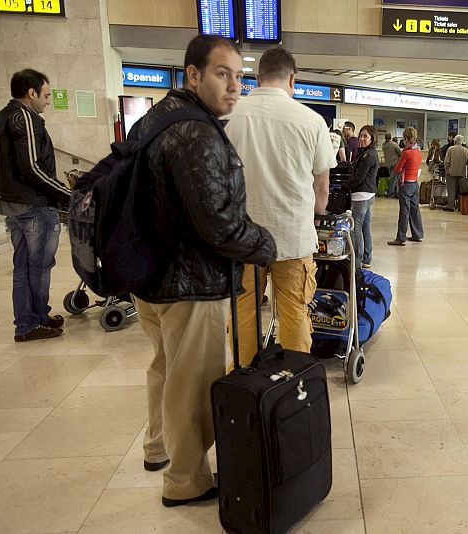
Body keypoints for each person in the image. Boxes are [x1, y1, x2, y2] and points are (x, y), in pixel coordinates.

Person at [131, 35, 276, 507]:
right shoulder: (196, 132)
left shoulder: (156, 118)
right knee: (191, 383)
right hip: (188, 282)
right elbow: (219, 223)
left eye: (240, 75)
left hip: (148, 275)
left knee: (164, 367)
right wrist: (265, 244)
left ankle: (157, 447)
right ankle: (186, 480)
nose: (234, 86)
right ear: (193, 75)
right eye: (222, 73)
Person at [225, 46, 334, 365]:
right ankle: (294, 387)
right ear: (292, 78)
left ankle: (244, 385)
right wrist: (317, 214)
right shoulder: (312, 121)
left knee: (242, 315)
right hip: (292, 238)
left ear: (257, 79)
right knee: (295, 315)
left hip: (243, 239)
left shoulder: (229, 116)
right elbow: (322, 187)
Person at [0, 69, 71, 342]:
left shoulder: (0, 118)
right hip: (31, 203)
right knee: (39, 265)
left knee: (22, 265)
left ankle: (31, 319)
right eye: (46, 95)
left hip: (12, 203)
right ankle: (32, 322)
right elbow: (32, 167)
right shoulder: (26, 118)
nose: (48, 101)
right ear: (31, 93)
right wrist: (66, 195)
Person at [348, 125, 379, 269]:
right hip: (368, 194)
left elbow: (359, 177)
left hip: (362, 195)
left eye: (365, 136)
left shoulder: (369, 155)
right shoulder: (367, 152)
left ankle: (358, 260)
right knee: (365, 227)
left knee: (356, 228)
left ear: (372, 139)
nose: (362, 139)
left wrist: (345, 186)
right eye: (361, 135)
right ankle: (367, 258)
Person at [388, 127, 424, 245]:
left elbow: (398, 168)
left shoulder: (406, 153)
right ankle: (417, 234)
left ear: (405, 139)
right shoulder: (417, 151)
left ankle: (400, 238)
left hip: (406, 184)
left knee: (404, 211)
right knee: (415, 210)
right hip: (414, 184)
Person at [444, 134, 468, 212]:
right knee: (460, 190)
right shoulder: (466, 150)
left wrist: (447, 169)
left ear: (455, 141)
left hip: (451, 172)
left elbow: (446, 161)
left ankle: (450, 206)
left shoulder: (451, 149)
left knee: (451, 190)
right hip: (462, 173)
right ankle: (460, 206)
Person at [382, 132, 402, 198]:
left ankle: (392, 191)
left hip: (388, 164)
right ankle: (390, 193)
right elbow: (400, 153)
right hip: (395, 164)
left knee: (392, 178)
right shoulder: (394, 144)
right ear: (390, 137)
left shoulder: (383, 145)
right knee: (394, 179)